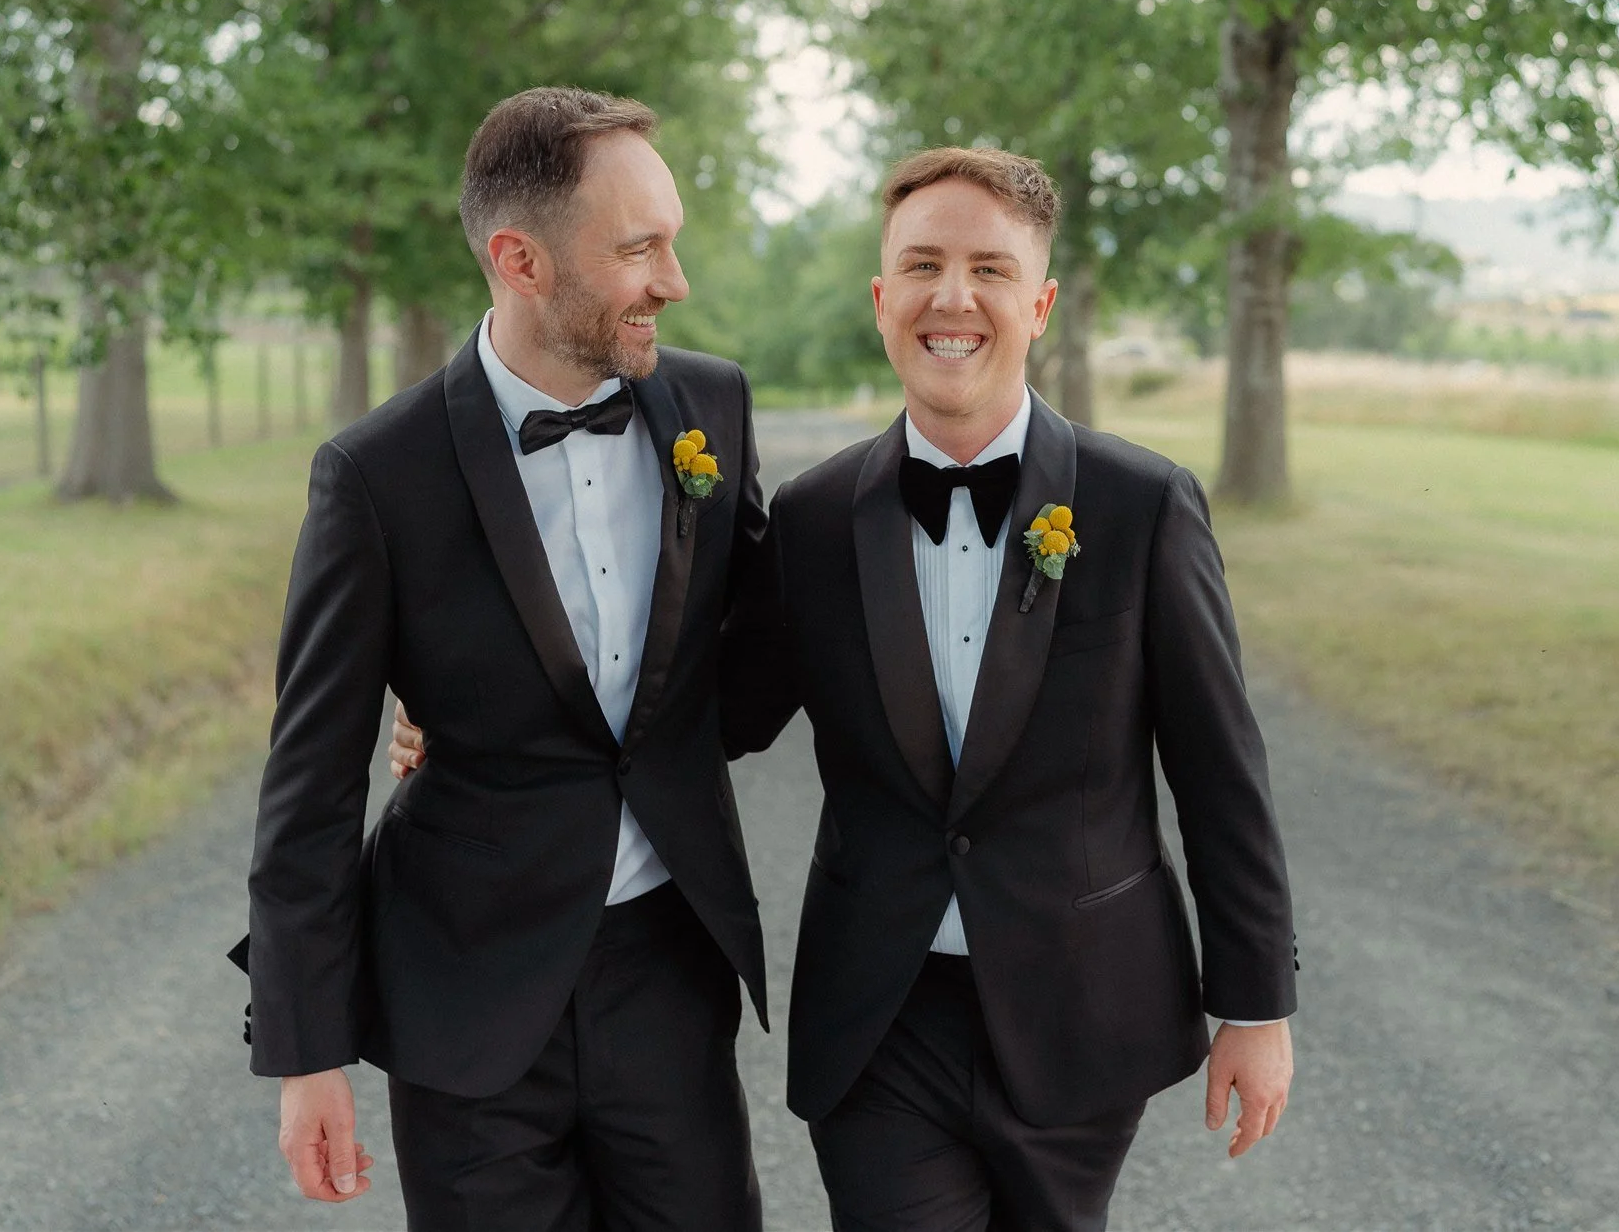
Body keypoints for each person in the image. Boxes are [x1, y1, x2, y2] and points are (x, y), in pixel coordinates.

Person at [392, 145, 1298, 1231]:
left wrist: (1254, 1003)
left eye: (989, 271)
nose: (950, 298)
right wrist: (482, 721)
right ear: (881, 299)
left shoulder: (1144, 506)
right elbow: (707, 706)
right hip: (879, 1017)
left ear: (1040, 303)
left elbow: (1219, 773)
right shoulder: (817, 522)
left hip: (1078, 1004)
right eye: (920, 266)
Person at [234, 86, 767, 1231]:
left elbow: (759, 651)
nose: (672, 280)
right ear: (521, 261)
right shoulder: (377, 475)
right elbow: (310, 784)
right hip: (463, 993)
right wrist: (306, 1053)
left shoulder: (709, 406)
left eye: (670, 239)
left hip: (669, 970)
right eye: (637, 249)